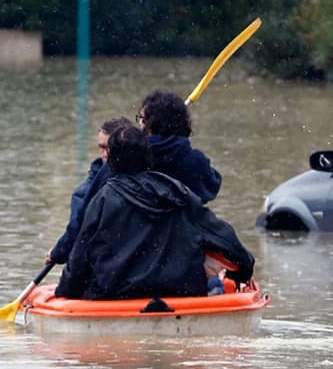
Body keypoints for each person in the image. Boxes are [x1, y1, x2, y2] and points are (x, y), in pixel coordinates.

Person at [58, 124, 254, 301]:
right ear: (147, 156)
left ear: (112, 161)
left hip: (114, 295)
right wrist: (244, 270)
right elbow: (223, 238)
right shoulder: (177, 193)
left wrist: (64, 293)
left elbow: (80, 257)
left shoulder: (101, 200)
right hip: (179, 293)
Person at [46, 116, 133, 266]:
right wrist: (59, 251)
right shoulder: (88, 188)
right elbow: (77, 227)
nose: (105, 154)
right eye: (101, 147)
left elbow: (79, 227)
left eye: (109, 147)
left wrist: (59, 252)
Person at [138, 89, 222, 204]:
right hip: (186, 221)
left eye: (142, 118)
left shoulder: (128, 158)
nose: (139, 123)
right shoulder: (195, 161)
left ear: (151, 123)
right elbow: (212, 185)